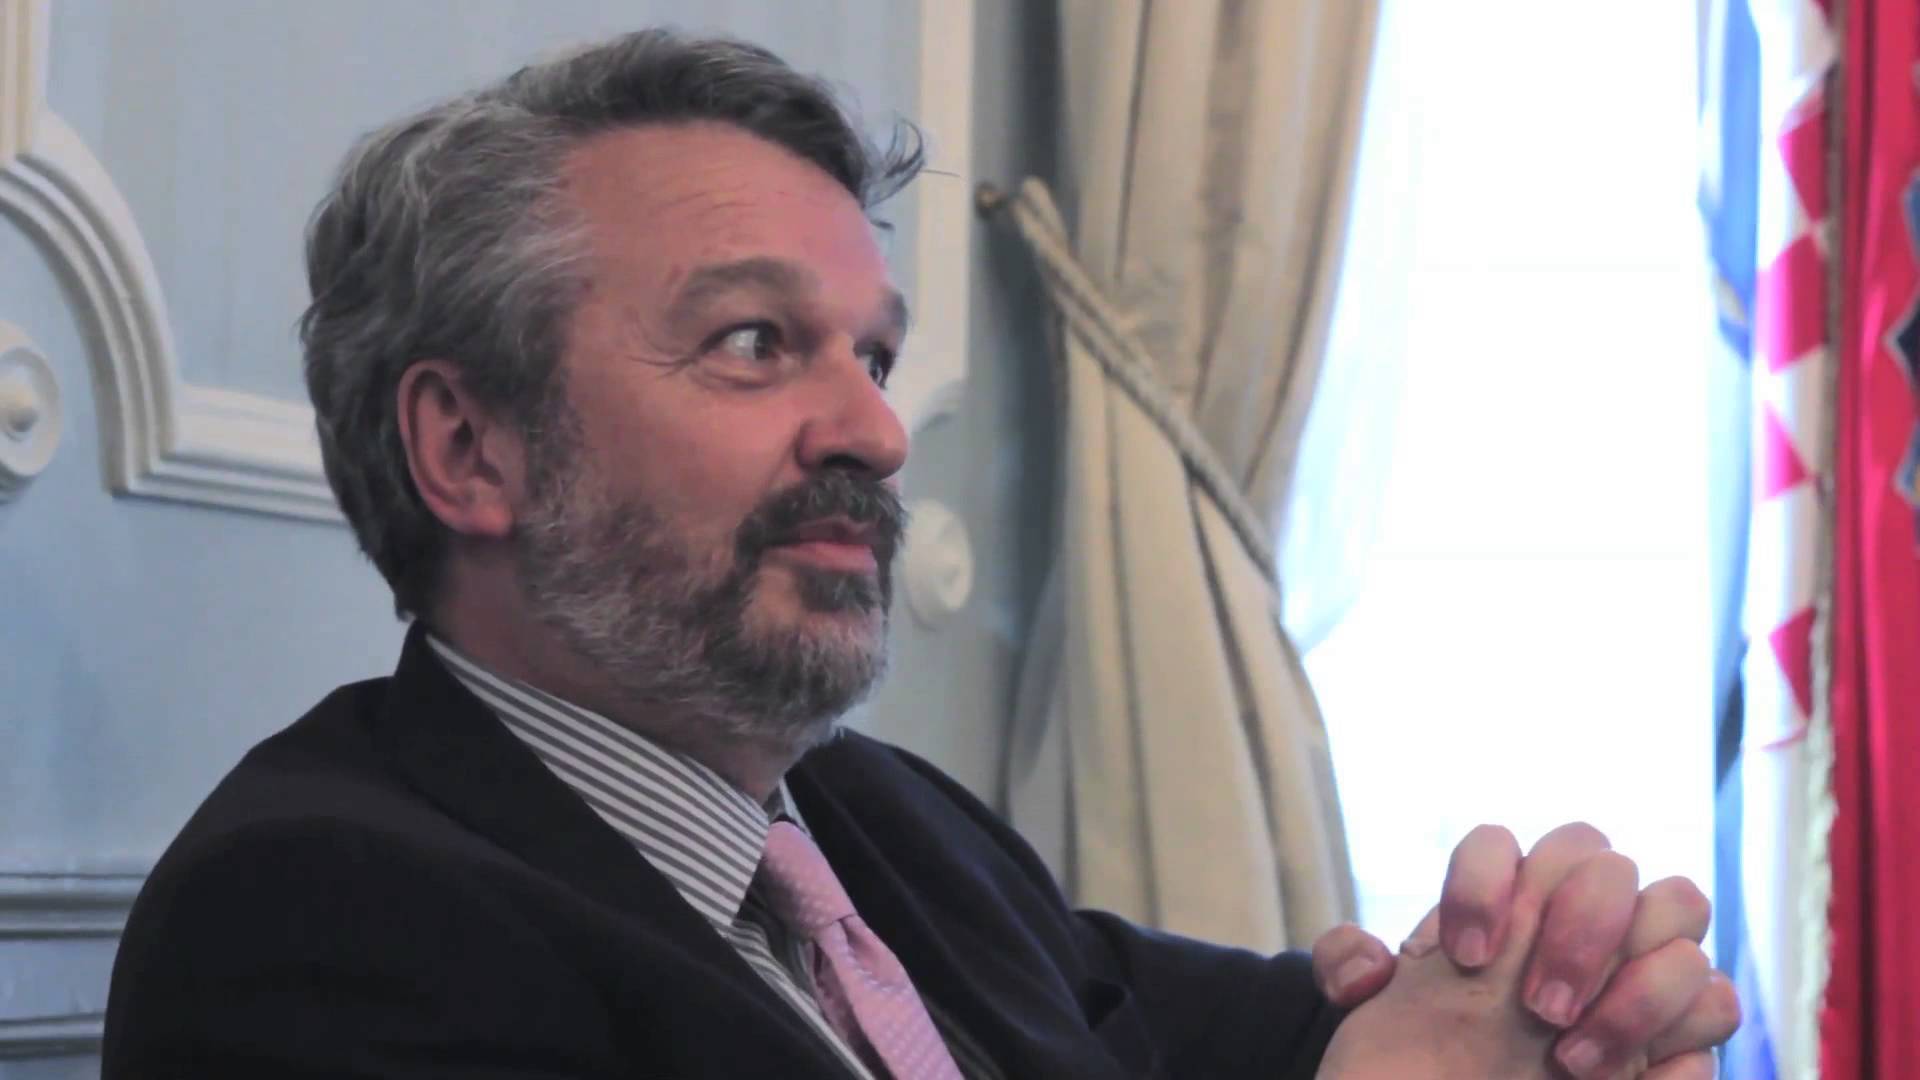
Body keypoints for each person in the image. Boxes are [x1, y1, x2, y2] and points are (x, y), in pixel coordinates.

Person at [101, 30, 1737, 1079]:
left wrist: (1524, 996)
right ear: (471, 448)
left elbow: (1279, 1037)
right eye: (754, 343)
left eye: (872, 356)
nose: (877, 433)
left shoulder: (880, 819)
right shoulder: (311, 924)